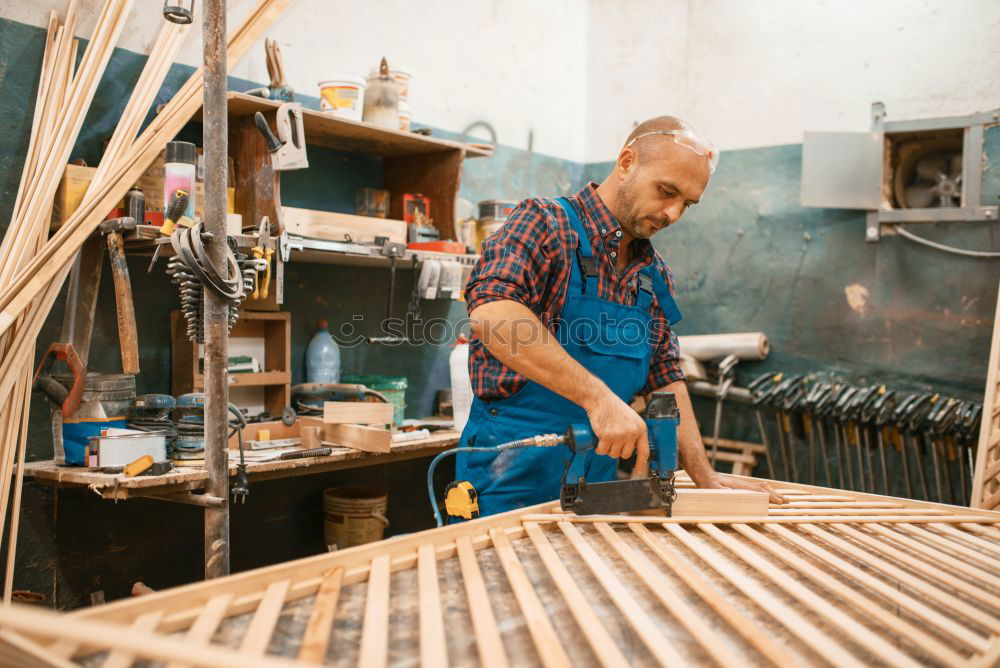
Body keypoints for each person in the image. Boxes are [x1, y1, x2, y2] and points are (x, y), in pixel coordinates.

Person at [458, 116, 784, 517]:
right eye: (667, 191)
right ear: (627, 161)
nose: (673, 214)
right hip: (507, 477)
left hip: (599, 489)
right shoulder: (544, 224)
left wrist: (703, 474)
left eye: (688, 204)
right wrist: (599, 401)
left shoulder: (654, 275)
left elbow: (665, 377)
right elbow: (493, 314)